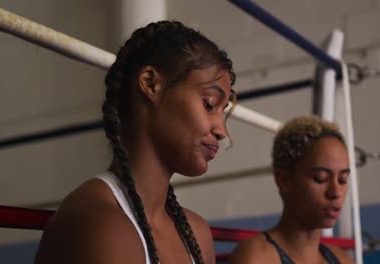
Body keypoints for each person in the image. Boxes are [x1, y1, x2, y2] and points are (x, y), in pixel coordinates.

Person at [35, 21, 236, 264]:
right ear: (151, 84)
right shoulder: (101, 224)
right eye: (209, 104)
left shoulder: (197, 232)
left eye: (222, 111)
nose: (221, 130)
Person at [230, 116, 354, 264]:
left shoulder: (342, 259)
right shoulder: (258, 256)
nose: (336, 192)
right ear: (283, 180)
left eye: (343, 180)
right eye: (320, 178)